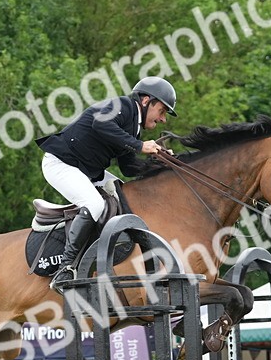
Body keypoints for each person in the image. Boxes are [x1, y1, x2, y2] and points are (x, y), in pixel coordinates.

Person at [38, 76, 176, 291]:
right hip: (61, 163)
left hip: (86, 171)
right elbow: (100, 123)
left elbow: (129, 168)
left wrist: (159, 162)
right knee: (94, 204)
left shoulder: (133, 128)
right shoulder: (123, 105)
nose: (163, 119)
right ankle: (65, 269)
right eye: (162, 111)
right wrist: (140, 146)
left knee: (124, 192)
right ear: (146, 100)